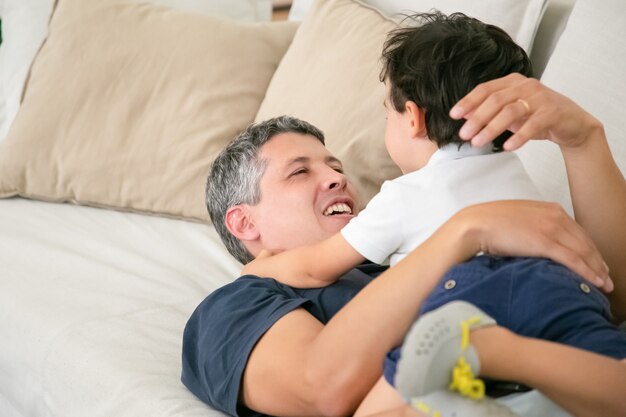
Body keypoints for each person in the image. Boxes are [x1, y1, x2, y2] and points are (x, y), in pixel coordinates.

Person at [181, 25, 626, 417]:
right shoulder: (239, 304)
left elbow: (608, 293)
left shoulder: (406, 246)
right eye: (301, 171)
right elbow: (321, 389)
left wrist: (584, 140)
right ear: (242, 223)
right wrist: (467, 231)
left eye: (335, 166)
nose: (337, 178)